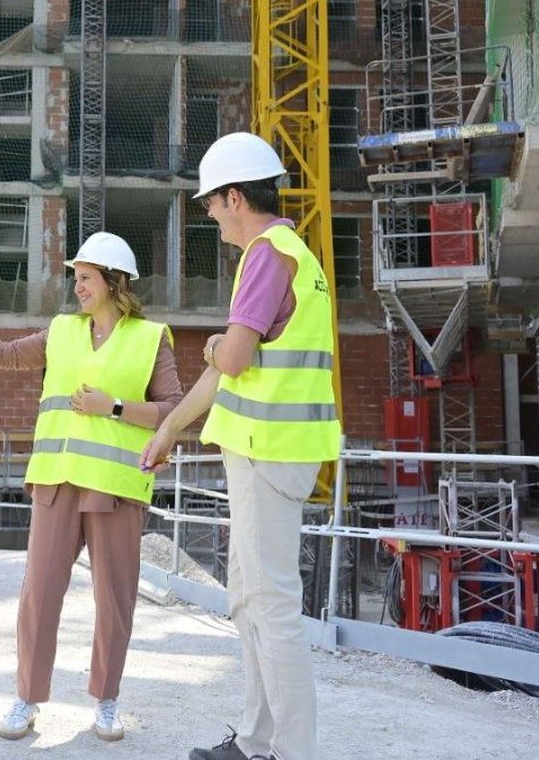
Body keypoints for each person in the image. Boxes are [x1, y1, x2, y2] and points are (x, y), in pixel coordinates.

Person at [140, 132, 341, 760]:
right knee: (250, 601)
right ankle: (256, 742)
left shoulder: (265, 254)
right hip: (270, 449)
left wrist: (211, 346)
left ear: (234, 197)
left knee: (272, 606)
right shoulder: (290, 256)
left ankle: (291, 751)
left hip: (268, 451)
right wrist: (171, 427)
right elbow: (227, 373)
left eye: (210, 203)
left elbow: (229, 356)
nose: (208, 214)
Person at [0, 231, 183, 744]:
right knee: (39, 594)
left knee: (115, 599)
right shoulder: (60, 331)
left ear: (113, 281)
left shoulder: (151, 339)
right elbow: (4, 355)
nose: (76, 286)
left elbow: (174, 409)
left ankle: (106, 702)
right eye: (75, 277)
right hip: (57, 482)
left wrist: (114, 407)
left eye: (85, 277)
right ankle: (26, 698)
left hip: (115, 488)